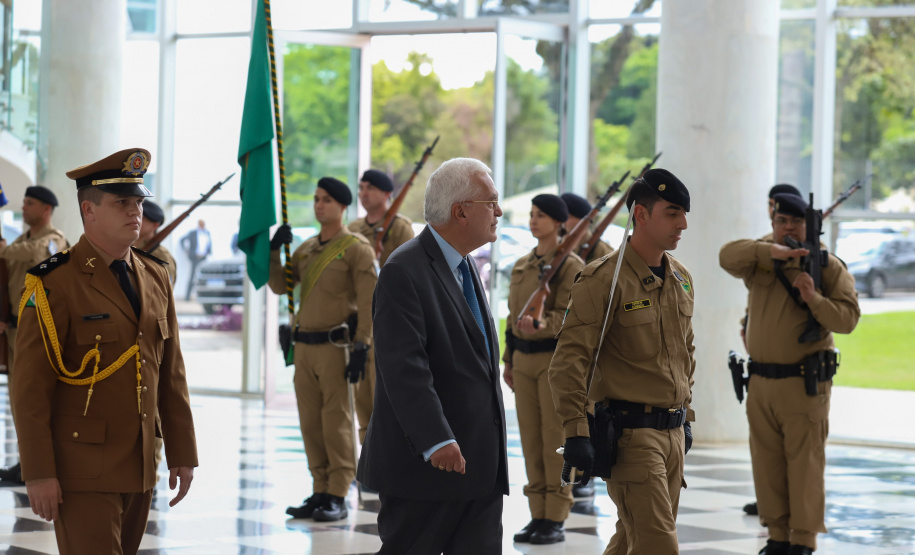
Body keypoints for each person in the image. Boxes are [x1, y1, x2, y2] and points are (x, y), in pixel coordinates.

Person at [11, 148, 197, 554]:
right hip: (81, 469)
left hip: (141, 463)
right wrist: (39, 473)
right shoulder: (54, 284)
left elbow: (171, 374)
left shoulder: (156, 276)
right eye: (122, 203)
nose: (136, 212)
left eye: (139, 202)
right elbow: (29, 390)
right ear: (89, 211)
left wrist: (182, 451)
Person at [357, 158, 508, 555]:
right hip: (427, 467)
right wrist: (436, 439)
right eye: (490, 202)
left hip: (479, 465)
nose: (499, 211)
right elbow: (404, 367)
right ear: (460, 211)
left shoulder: (465, 264)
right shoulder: (404, 269)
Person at [549, 168, 696, 554]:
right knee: (658, 546)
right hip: (632, 437)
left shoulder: (680, 278)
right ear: (641, 215)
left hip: (673, 434)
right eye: (672, 213)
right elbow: (569, 361)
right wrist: (575, 429)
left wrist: (686, 414)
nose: (683, 223)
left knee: (630, 539)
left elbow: (686, 353)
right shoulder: (602, 279)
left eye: (684, 214)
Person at [720, 193, 860, 555]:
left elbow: (847, 319)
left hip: (804, 383)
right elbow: (726, 257)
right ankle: (777, 535)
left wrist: (814, 299)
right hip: (761, 381)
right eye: (781, 222)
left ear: (808, 225)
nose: (787, 229)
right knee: (766, 464)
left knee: (804, 465)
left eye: (795, 223)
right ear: (773, 223)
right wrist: (770, 252)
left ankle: (803, 539)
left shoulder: (827, 266)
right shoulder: (761, 258)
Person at [268, 177, 376, 522]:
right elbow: (278, 284)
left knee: (337, 423)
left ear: (343, 207)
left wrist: (362, 345)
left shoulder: (356, 247)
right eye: (316, 199)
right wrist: (273, 251)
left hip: (336, 347)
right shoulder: (308, 248)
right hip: (304, 347)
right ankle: (319, 488)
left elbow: (369, 300)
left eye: (327, 200)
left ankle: (338, 493)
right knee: (310, 423)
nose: (319, 205)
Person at [503, 194, 582, 545]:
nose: (534, 220)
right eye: (532, 215)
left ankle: (556, 515)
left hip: (553, 360)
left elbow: (570, 314)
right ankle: (537, 513)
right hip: (522, 361)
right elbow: (510, 316)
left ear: (559, 222)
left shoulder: (571, 266)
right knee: (530, 442)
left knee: (555, 441)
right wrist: (507, 360)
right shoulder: (521, 264)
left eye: (542, 215)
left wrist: (543, 324)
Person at [0, 185, 70, 485]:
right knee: (18, 398)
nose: (24, 207)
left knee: (35, 397)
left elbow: (38, 255)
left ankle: (45, 462)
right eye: (24, 203)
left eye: (30, 203)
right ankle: (26, 461)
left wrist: (3, 248)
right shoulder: (20, 239)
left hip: (40, 331)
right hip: (14, 330)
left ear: (46, 209)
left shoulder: (53, 241)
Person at [741, 183, 802, 517]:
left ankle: (799, 525)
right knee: (766, 451)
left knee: (798, 454)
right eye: (775, 212)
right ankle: (772, 510)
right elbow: (729, 257)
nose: (780, 221)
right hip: (763, 373)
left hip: (800, 375)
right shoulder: (763, 249)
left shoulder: (816, 256)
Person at [347, 169, 415, 444]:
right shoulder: (353, 230)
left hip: (390, 324)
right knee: (361, 397)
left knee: (386, 396)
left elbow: (410, 274)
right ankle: (367, 457)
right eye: (361, 188)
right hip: (360, 321)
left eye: (370, 188)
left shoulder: (400, 228)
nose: (363, 193)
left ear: (387, 194)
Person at [560, 192, 614, 263]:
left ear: (582, 220)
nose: (562, 220)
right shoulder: (558, 245)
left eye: (568, 217)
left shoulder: (603, 251)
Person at [136, 200, 177, 286]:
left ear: (155, 225)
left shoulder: (161, 256)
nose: (134, 219)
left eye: (140, 217)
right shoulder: (124, 248)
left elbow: (162, 292)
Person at [179, 219, 212, 301]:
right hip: (195, 258)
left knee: (204, 277)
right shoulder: (193, 233)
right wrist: (187, 251)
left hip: (204, 258)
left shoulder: (207, 233)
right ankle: (187, 297)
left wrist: (209, 252)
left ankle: (203, 297)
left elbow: (209, 244)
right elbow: (182, 240)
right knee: (192, 277)